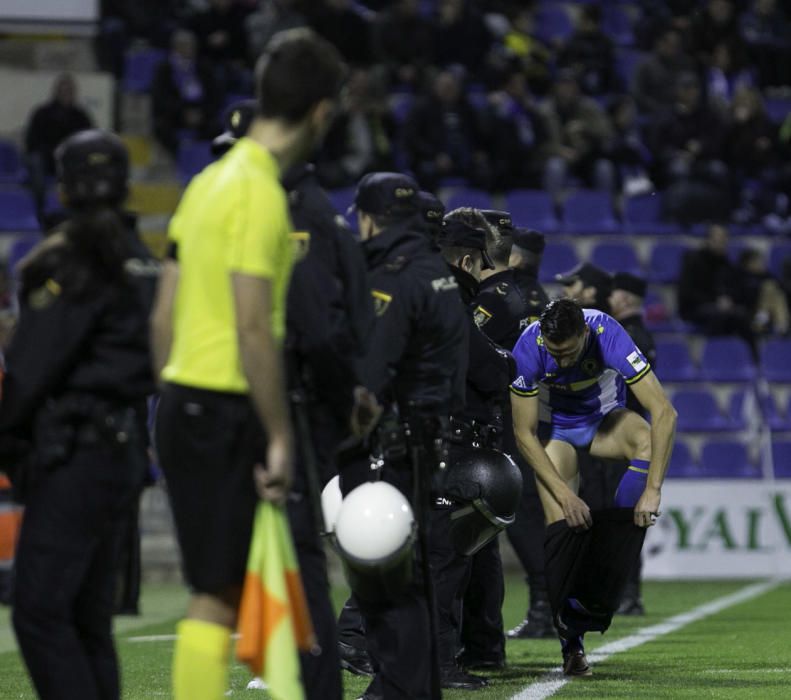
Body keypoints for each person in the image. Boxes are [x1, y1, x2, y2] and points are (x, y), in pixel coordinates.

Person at [149, 29, 346, 700]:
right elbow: (254, 328)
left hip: (180, 400)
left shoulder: (205, 182)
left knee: (217, 589)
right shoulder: (262, 194)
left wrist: (172, 393)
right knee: (216, 595)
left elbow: (162, 314)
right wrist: (279, 436)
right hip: (225, 403)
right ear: (320, 112)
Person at [211, 97, 376, 699]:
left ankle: (307, 677)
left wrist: (339, 400)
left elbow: (316, 329)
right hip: (253, 402)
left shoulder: (295, 216)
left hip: (286, 406)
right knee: (253, 559)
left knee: (296, 557)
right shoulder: (270, 212)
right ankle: (288, 664)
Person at [0, 129, 155, 699]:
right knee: (90, 623)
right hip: (122, 448)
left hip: (74, 454)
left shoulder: (71, 258)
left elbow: (30, 368)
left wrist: (9, 442)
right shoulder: (143, 260)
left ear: (64, 187)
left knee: (39, 614)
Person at [339, 171, 468, 700]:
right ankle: (412, 690)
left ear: (370, 218)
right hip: (428, 442)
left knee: (384, 582)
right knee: (412, 581)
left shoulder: (391, 276)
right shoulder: (437, 271)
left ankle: (395, 691)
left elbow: (367, 382)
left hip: (388, 449)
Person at [510, 299, 677, 676]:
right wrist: (566, 495)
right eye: (556, 353)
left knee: (647, 441)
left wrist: (653, 490)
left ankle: (612, 548)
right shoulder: (529, 345)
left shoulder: (606, 331)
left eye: (569, 351)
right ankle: (572, 646)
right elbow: (524, 433)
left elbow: (665, 412)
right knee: (561, 536)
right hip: (558, 435)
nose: (563, 360)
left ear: (584, 333)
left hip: (605, 422)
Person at [432, 218, 514, 688]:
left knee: (440, 556)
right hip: (448, 442)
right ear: (466, 260)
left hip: (425, 438)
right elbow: (484, 367)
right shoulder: (449, 298)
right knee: (444, 557)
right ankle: (437, 659)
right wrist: (503, 362)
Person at [473, 224, 554, 641]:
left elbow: (470, 344)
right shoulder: (538, 297)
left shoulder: (504, 297)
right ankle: (546, 604)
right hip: (537, 410)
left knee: (519, 514)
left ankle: (546, 604)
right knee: (526, 513)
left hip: (512, 413)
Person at [608, 272, 657, 615]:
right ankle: (628, 593)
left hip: (623, 438)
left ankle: (627, 594)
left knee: (622, 518)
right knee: (626, 519)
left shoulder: (628, 336)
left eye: (614, 294)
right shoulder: (644, 334)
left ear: (624, 298)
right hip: (633, 436)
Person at [677, 223, 756, 348]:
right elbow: (687, 292)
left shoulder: (726, 263)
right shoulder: (693, 260)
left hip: (720, 308)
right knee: (719, 317)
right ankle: (715, 357)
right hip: (694, 308)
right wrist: (715, 302)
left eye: (724, 239)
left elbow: (733, 288)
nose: (721, 243)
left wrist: (729, 300)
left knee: (742, 316)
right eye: (717, 239)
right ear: (708, 239)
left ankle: (752, 360)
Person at [24, 73, 93, 212]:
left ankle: (79, 211)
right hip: (46, 158)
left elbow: (88, 140)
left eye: (69, 91)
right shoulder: (42, 113)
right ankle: (39, 210)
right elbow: (31, 140)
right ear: (56, 92)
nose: (66, 94)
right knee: (35, 162)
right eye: (63, 91)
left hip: (70, 160)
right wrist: (48, 151)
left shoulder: (81, 116)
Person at [150, 28, 221, 156]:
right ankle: (179, 158)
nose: (189, 49)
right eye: (184, 46)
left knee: (216, 127)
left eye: (191, 45)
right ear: (176, 47)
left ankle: (201, 157)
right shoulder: (164, 69)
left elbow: (215, 95)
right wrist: (183, 112)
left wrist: (201, 112)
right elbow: (160, 98)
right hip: (175, 114)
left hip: (201, 113)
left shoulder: (204, 67)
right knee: (161, 127)